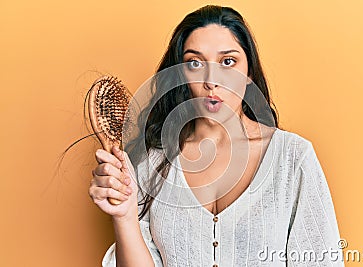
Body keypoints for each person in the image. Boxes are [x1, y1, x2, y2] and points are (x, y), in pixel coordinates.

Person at [89, 5, 344, 267]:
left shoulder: (293, 158)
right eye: (195, 63)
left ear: (249, 74)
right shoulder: (151, 164)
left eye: (228, 62)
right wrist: (125, 216)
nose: (212, 80)